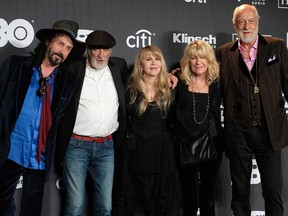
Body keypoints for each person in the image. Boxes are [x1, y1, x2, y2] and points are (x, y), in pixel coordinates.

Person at [0, 20, 86, 216]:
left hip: (40, 155)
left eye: (68, 48)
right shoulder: (16, 65)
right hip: (12, 149)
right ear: (48, 42)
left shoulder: (67, 82)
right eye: (60, 43)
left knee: (33, 208)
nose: (63, 51)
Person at [216, 4, 288, 216]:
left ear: (258, 22)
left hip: (270, 130)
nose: (246, 26)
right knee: (239, 192)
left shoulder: (277, 46)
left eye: (251, 21)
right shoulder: (222, 53)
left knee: (273, 190)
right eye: (242, 21)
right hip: (237, 131)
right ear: (234, 24)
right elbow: (207, 81)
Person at [55, 30, 129, 216]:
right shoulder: (74, 69)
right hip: (76, 146)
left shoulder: (118, 67)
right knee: (75, 206)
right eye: (96, 49)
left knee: (105, 206)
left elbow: (146, 77)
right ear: (88, 50)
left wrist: (171, 74)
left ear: (111, 51)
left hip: (107, 147)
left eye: (105, 49)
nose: (101, 54)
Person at [124, 45, 178, 216]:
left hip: (162, 152)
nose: (153, 63)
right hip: (137, 151)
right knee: (140, 200)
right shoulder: (130, 88)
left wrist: (172, 74)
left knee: (162, 200)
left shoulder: (171, 88)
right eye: (148, 59)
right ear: (140, 65)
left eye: (157, 59)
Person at [173, 40, 223, 216]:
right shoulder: (179, 82)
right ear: (187, 60)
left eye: (202, 57)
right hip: (186, 145)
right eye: (193, 57)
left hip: (212, 142)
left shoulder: (217, 84)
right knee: (189, 196)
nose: (198, 62)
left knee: (208, 196)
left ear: (209, 60)